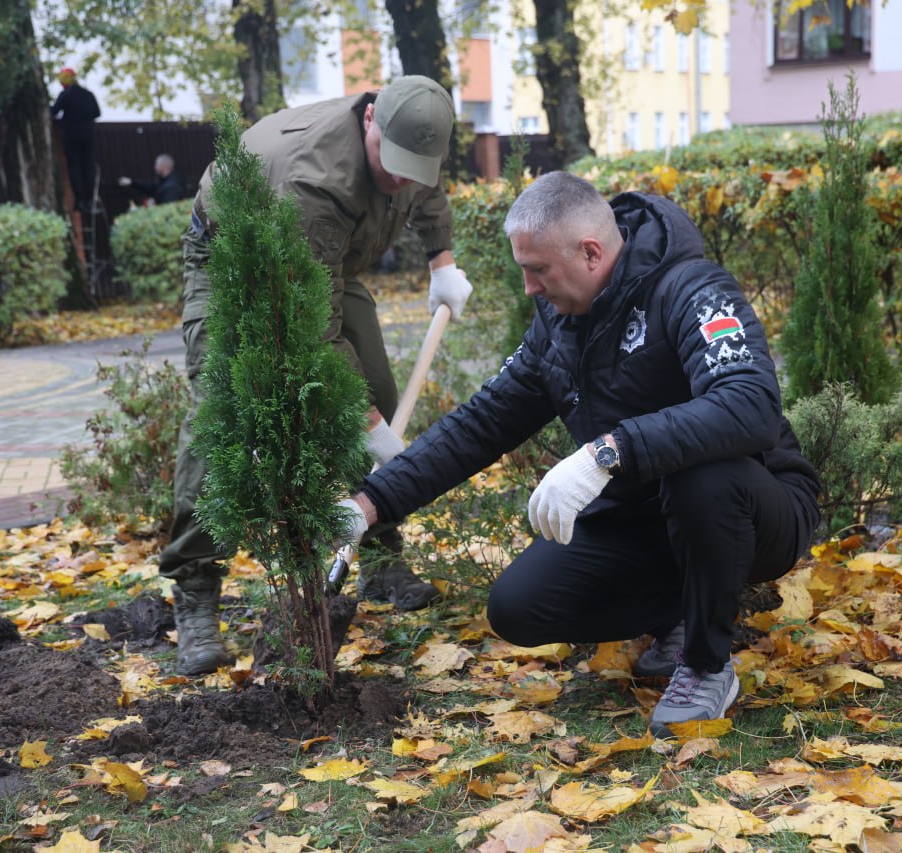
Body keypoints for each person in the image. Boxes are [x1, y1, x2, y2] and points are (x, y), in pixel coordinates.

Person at [341, 172, 821, 736]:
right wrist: (371, 504)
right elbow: (482, 423)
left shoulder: (693, 289)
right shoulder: (558, 327)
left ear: (590, 252)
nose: (529, 289)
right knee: (518, 608)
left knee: (702, 479)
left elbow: (751, 405)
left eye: (537, 269)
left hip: (756, 503)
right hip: (644, 517)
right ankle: (680, 611)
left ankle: (706, 662)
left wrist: (610, 451)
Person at [164, 75, 474, 676]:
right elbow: (313, 333)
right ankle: (196, 590)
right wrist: (370, 424)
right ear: (368, 122)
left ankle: (382, 556)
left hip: (324, 263)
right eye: (395, 164)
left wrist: (443, 262)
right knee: (220, 423)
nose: (403, 180)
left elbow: (426, 194)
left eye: (419, 167)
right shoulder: (315, 179)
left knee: (377, 386)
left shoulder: (412, 141)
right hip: (232, 259)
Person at [50, 67, 101, 211]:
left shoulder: (66, 94)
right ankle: (90, 201)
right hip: (88, 135)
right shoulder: (88, 94)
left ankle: (80, 201)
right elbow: (97, 112)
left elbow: (53, 111)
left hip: (71, 136)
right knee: (88, 167)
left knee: (75, 167)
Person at [118, 154, 186, 205]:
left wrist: (154, 203)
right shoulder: (163, 181)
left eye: (157, 165)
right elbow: (150, 186)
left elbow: (168, 206)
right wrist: (131, 182)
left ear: (164, 166)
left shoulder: (172, 185)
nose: (155, 168)